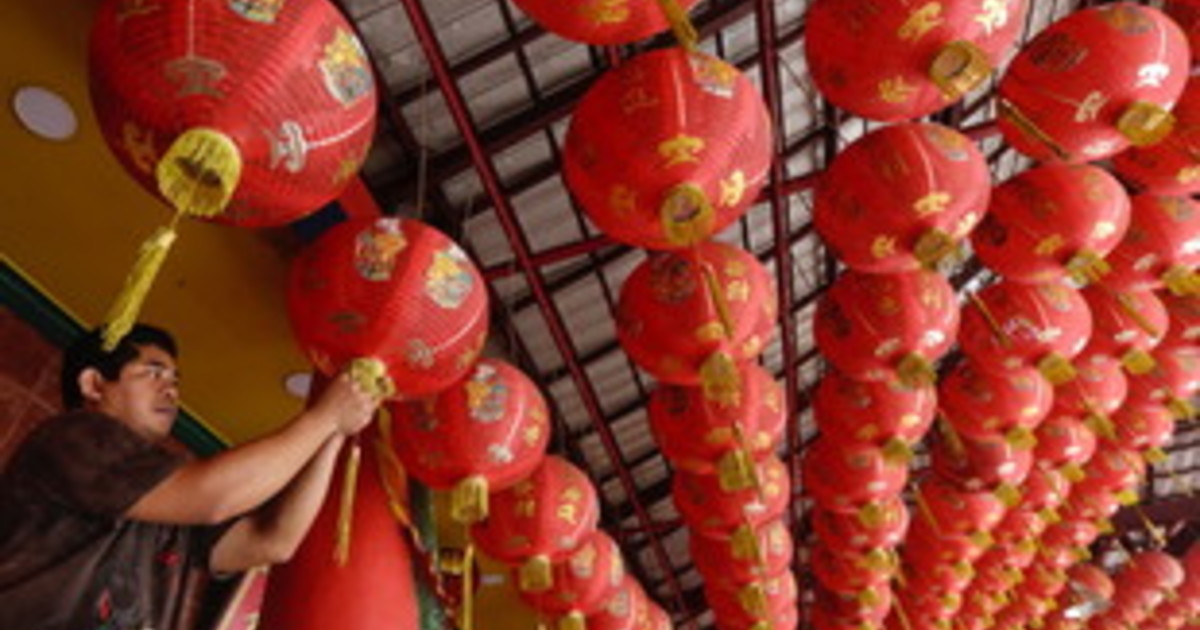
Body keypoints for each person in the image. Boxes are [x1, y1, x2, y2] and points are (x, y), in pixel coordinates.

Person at [0, 323, 381, 630]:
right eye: (153, 373)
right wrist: (322, 418)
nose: (171, 390)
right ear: (94, 385)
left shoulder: (165, 494)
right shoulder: (74, 436)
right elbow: (213, 498)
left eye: (175, 380)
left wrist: (333, 434)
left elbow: (271, 542)